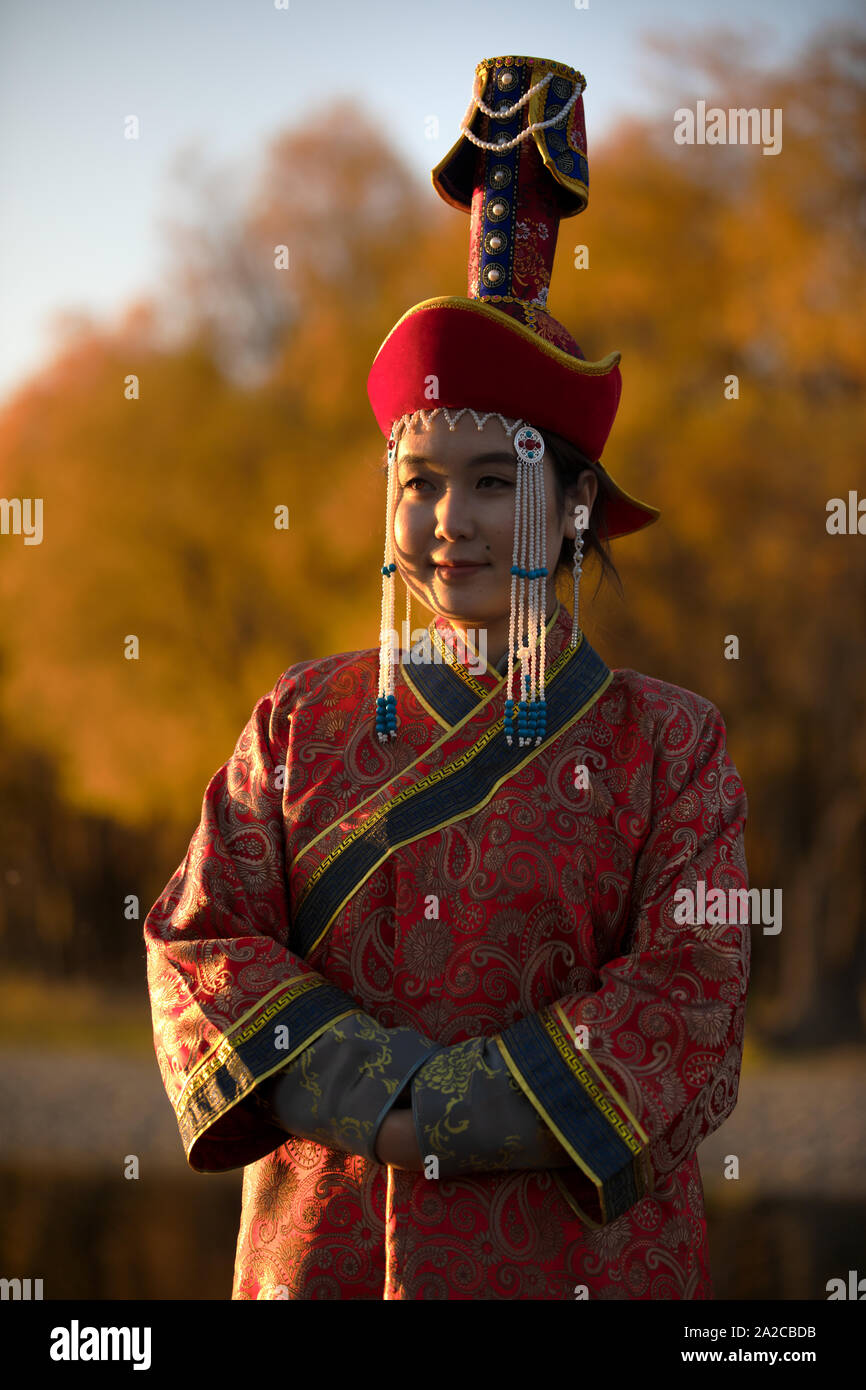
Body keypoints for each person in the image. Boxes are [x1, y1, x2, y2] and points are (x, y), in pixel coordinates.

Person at [144, 52, 749, 1300]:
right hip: (324, 1252)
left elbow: (691, 989)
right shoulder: (298, 720)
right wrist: (373, 1100)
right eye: (420, 482)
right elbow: (198, 938)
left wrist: (450, 1114)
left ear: (575, 502)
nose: (447, 522)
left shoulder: (667, 745)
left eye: (495, 480)